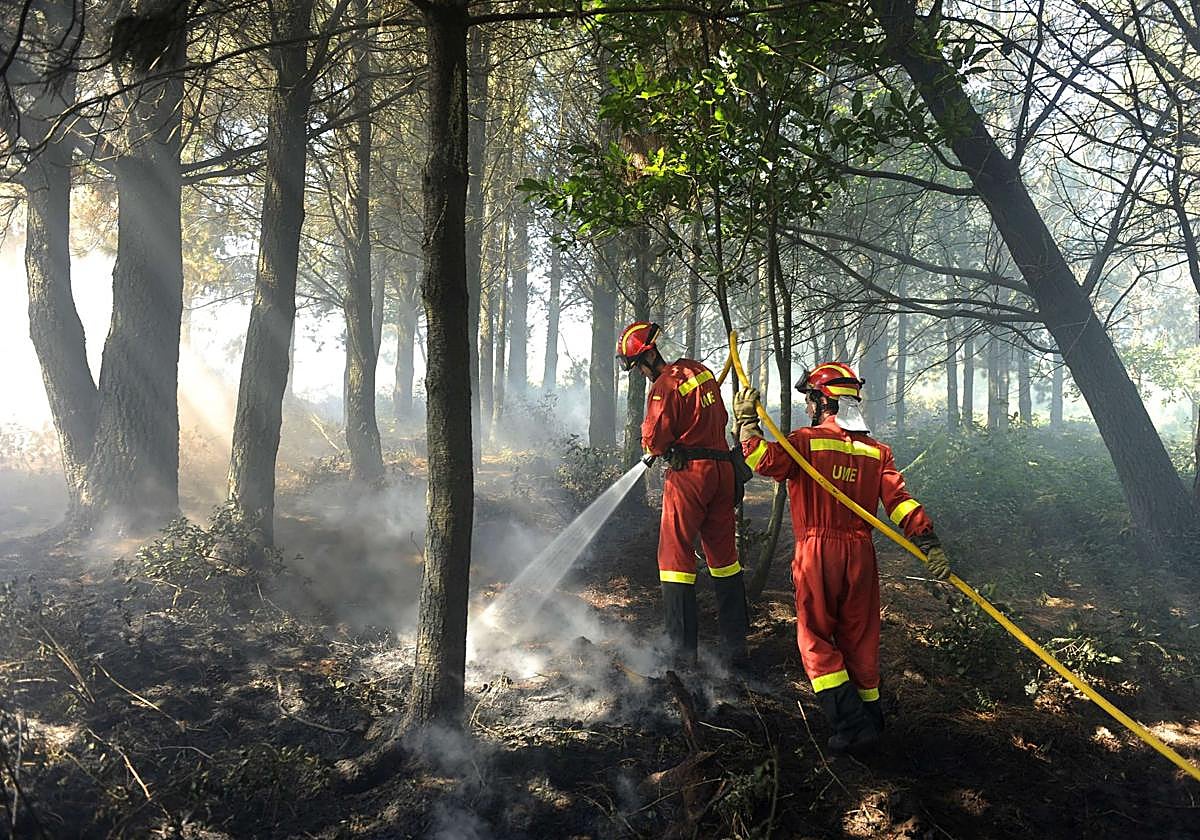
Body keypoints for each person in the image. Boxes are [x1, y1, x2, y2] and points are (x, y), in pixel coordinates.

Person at [732, 363, 950, 752]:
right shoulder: (877, 451)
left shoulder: (807, 441)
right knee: (860, 640)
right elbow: (899, 502)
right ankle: (872, 719)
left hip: (818, 551)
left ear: (823, 400)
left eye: (811, 399)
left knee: (814, 637)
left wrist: (747, 425)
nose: (808, 407)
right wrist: (927, 540)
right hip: (861, 556)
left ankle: (850, 725)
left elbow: (763, 462)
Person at [616, 321, 749, 668]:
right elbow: (717, 415)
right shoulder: (699, 370)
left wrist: (659, 445)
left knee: (674, 558)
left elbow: (654, 440)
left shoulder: (663, 387)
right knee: (724, 558)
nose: (640, 374)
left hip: (691, 476)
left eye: (636, 368)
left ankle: (681, 653)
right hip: (723, 472)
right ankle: (736, 649)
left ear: (645, 361)